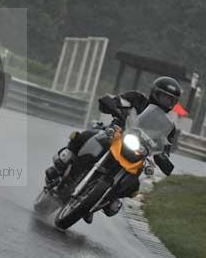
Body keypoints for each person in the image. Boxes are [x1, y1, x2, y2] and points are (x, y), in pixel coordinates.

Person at [45, 76, 181, 222]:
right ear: (155, 93)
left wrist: (164, 158)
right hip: (116, 135)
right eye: (164, 97)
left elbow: (165, 147)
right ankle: (61, 163)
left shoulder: (169, 127)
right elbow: (118, 101)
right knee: (85, 136)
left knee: (133, 186)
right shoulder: (136, 98)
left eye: (170, 100)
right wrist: (112, 103)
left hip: (138, 152)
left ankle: (104, 201)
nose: (166, 102)